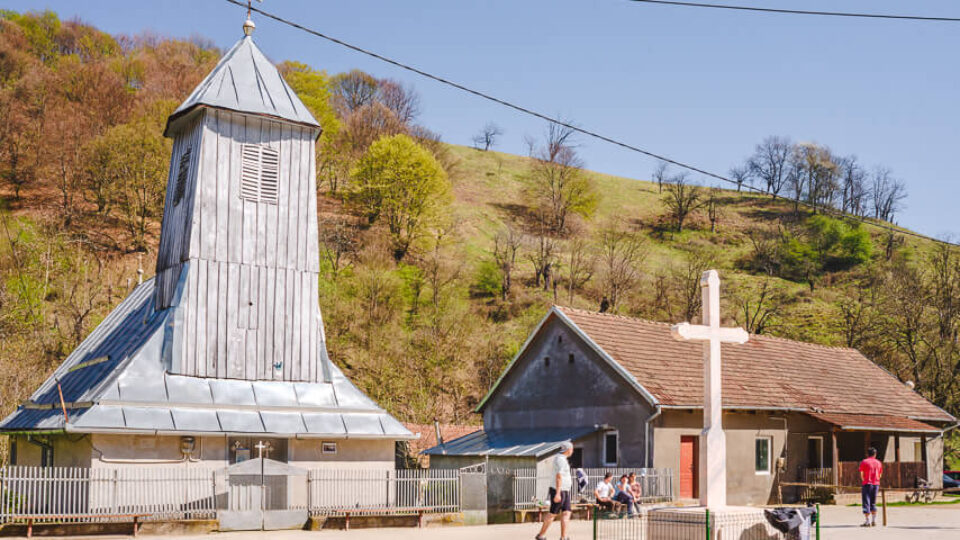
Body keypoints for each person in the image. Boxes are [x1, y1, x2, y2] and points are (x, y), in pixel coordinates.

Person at [536, 441, 573, 540]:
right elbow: (559, 476)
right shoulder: (560, 459)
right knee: (553, 513)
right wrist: (557, 493)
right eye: (571, 449)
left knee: (567, 512)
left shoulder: (562, 459)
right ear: (568, 449)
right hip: (559, 490)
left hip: (565, 490)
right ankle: (541, 535)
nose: (572, 451)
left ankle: (563, 537)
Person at [859, 447, 883, 527]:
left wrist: (864, 480)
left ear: (867, 454)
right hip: (876, 484)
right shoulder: (879, 463)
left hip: (867, 483)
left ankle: (867, 521)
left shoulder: (864, 462)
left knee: (866, 501)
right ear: (875, 454)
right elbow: (880, 475)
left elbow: (862, 474)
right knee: (873, 501)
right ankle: (874, 520)